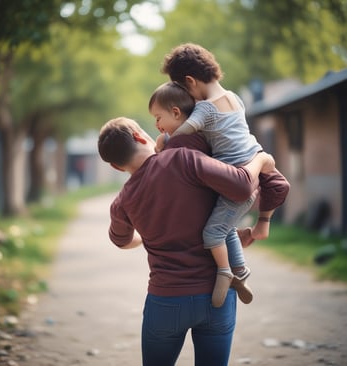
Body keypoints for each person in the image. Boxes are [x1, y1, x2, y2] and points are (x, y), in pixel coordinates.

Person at [97, 116, 276, 366]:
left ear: (116, 167)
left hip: (166, 301)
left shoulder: (123, 201)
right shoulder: (184, 158)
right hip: (217, 294)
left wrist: (144, 236)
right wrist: (261, 159)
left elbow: (122, 241)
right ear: (140, 136)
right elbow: (241, 186)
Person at [158, 43, 290, 307]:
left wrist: (162, 140)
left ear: (190, 81)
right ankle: (245, 259)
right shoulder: (234, 98)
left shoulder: (205, 110)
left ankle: (225, 271)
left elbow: (181, 134)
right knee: (224, 223)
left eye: (184, 91)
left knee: (212, 234)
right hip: (255, 156)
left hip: (237, 179)